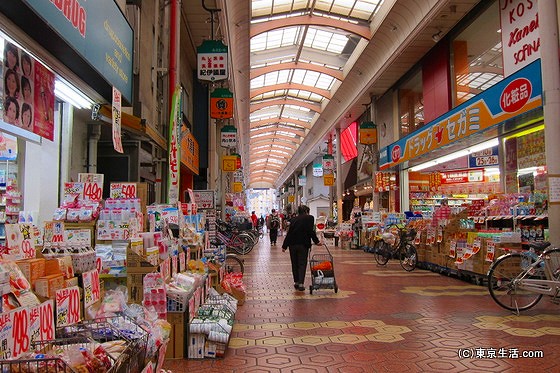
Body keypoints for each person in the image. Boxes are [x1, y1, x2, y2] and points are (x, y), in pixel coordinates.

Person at [282, 205, 322, 291]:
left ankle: (296, 282)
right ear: (306, 211)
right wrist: (317, 241)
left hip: (292, 244)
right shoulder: (310, 218)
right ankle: (301, 283)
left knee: (294, 263)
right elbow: (310, 231)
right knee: (302, 264)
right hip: (303, 245)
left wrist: (284, 246)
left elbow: (290, 233)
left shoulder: (293, 219)